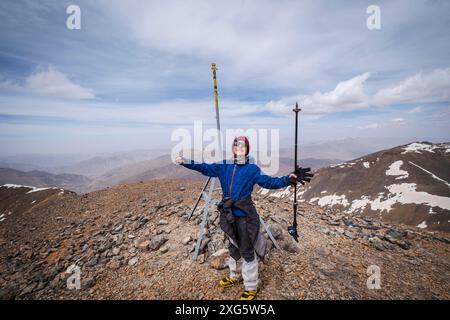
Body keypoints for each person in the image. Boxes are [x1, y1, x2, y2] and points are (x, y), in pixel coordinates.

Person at [176, 136, 313, 300]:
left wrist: (287, 179)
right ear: (233, 148)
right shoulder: (223, 166)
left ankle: (251, 287)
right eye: (236, 145)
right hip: (228, 215)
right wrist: (185, 162)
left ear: (247, 149)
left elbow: (269, 182)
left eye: (243, 145)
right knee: (233, 248)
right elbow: (203, 167)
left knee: (247, 251)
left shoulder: (252, 169)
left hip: (244, 216)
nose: (239, 148)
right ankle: (234, 276)